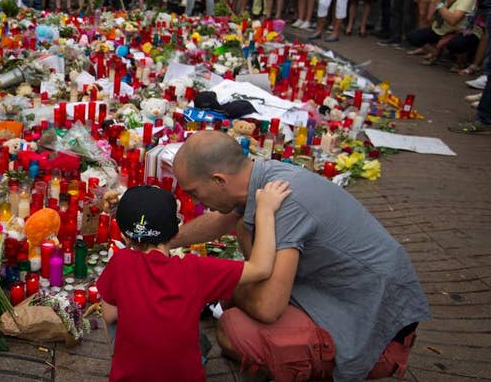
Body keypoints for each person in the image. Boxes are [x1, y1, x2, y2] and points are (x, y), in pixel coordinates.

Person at [170, 131, 431, 381]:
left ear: (219, 180)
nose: (194, 201)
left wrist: (222, 286)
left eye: (193, 192)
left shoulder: (287, 203)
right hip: (347, 294)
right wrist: (165, 240)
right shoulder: (260, 179)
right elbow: (223, 220)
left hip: (376, 327)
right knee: (242, 276)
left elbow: (267, 307)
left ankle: (330, 365)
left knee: (233, 328)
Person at [97, 181, 288, 382]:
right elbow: (261, 268)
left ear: (125, 236)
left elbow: (109, 316)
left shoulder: (120, 263)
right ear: (177, 229)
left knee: (117, 317)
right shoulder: (196, 270)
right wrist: (265, 210)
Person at [406, 0, 479, 66]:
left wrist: (439, 4)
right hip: (441, 29)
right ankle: (435, 52)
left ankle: (460, 63)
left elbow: (453, 20)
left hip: (460, 32)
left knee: (455, 44)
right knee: (413, 36)